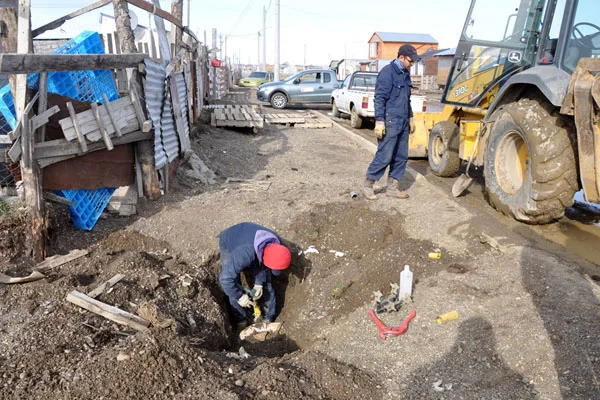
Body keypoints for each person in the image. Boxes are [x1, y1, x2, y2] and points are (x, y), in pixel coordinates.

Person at [363, 44, 420, 200]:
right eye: (410, 61)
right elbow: (379, 99)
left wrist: (411, 117)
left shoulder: (405, 74)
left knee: (401, 156)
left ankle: (392, 188)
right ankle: (368, 185)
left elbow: (406, 99)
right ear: (401, 57)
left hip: (402, 122)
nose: (412, 64)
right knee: (385, 155)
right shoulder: (388, 73)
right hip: (390, 122)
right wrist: (379, 121)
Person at [217, 222, 292, 329]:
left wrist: (259, 283)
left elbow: (263, 265)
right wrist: (240, 297)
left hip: (252, 242)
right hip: (231, 240)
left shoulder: (277, 244)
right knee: (232, 282)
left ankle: (268, 319)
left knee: (266, 284)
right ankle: (241, 320)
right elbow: (225, 280)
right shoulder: (244, 253)